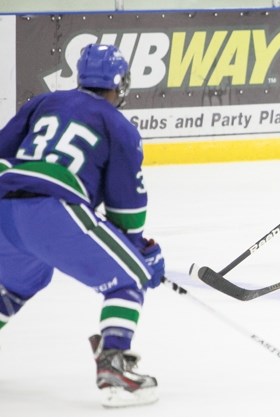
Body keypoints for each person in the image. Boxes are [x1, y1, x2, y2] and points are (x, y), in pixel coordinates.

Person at [0, 44, 164, 407]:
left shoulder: (43, 103)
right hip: (53, 209)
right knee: (130, 278)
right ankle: (115, 367)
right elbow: (127, 203)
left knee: (17, 284)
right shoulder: (118, 124)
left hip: (4, 209)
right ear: (120, 84)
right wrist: (137, 250)